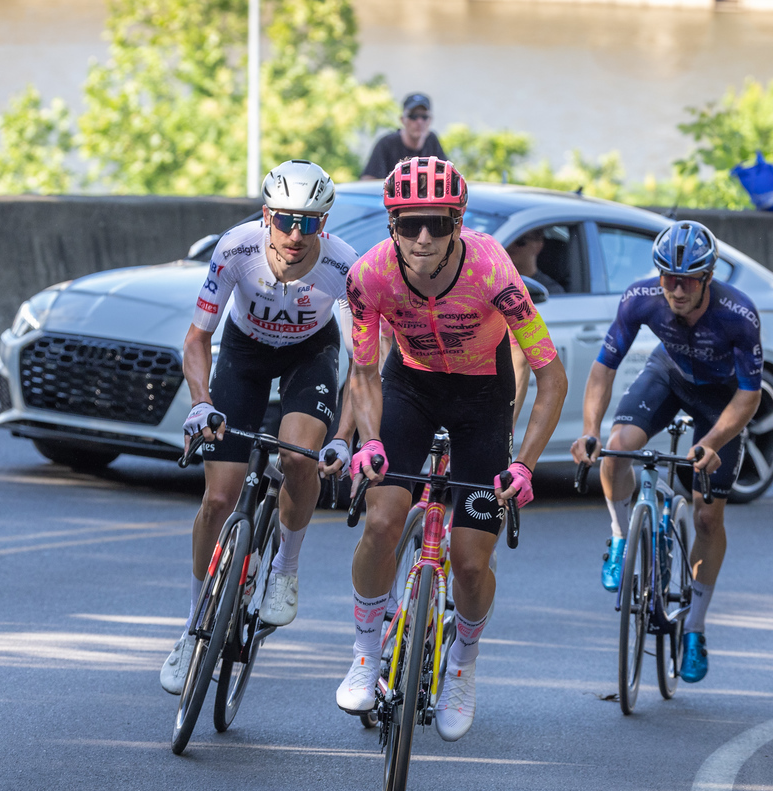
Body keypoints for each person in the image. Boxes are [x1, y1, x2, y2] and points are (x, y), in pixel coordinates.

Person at [336, 156, 568, 741]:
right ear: (392, 223)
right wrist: (367, 443)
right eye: (409, 222)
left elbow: (551, 375)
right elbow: (363, 372)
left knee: (468, 562)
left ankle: (462, 664)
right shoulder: (368, 277)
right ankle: (366, 654)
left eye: (437, 224)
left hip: (481, 398)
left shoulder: (492, 268)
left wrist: (524, 463)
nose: (422, 237)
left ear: (457, 222)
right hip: (409, 386)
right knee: (382, 521)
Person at [159, 159, 359, 695]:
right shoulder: (235, 248)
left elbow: (365, 366)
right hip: (244, 354)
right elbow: (197, 339)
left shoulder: (344, 267)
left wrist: (343, 434)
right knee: (218, 501)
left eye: (311, 222)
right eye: (286, 220)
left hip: (309, 355)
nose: (296, 235)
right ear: (267, 214)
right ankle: (192, 625)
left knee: (298, 458)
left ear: (326, 221)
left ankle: (285, 570)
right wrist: (201, 405)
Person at [570, 221, 761, 684]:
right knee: (616, 450)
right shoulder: (641, 298)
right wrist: (590, 431)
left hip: (722, 400)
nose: (675, 289)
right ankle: (620, 539)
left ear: (707, 277)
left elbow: (751, 396)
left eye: (687, 279)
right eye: (667, 277)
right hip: (669, 378)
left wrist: (712, 442)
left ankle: (693, 627)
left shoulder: (739, 315)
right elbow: (602, 371)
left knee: (706, 516)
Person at [360, 93, 447, 181]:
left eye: (424, 117)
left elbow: (447, 176)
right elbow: (368, 181)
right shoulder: (386, 144)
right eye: (413, 116)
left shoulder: (432, 141)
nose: (419, 121)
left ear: (430, 120)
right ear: (402, 120)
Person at [506, 228, 564, 294]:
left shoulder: (550, 290)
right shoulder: (498, 281)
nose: (511, 245)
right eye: (510, 240)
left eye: (520, 241)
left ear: (538, 246)